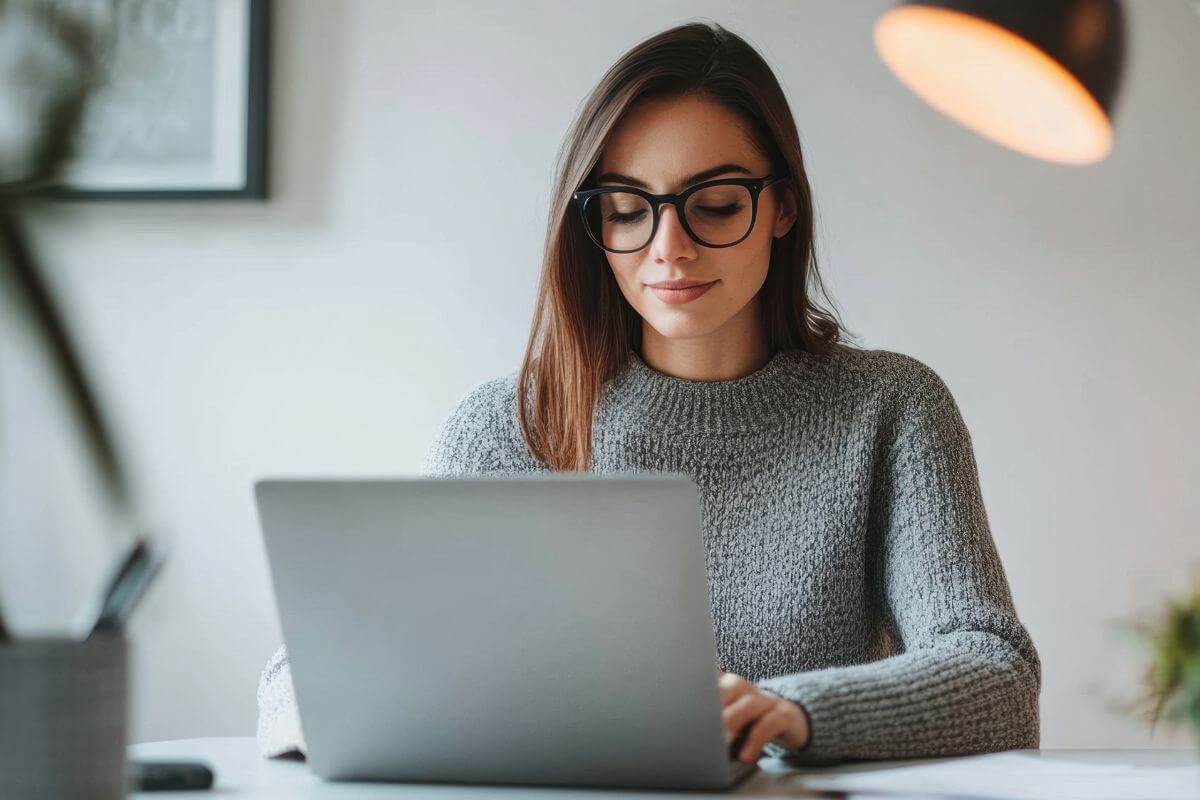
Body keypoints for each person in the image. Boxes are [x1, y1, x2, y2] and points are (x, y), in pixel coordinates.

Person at [257, 20, 1040, 767]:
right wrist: (324, 708)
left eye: (716, 205)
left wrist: (791, 713)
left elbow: (996, 673)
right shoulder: (508, 427)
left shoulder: (890, 408)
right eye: (628, 210)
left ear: (783, 206)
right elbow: (315, 668)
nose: (670, 249)